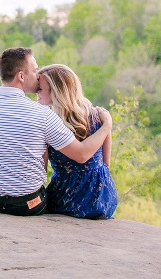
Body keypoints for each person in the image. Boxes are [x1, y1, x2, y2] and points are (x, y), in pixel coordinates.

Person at [0, 47, 112, 216]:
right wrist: (106, 126)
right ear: (21, 76)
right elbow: (79, 155)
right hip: (31, 205)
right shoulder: (43, 114)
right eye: (35, 70)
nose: (38, 76)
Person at [37, 64, 118, 219]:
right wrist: (108, 125)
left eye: (40, 89)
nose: (36, 92)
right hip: (102, 195)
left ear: (56, 92)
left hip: (65, 197)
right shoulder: (98, 117)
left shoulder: (50, 124)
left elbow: (42, 170)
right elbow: (106, 164)